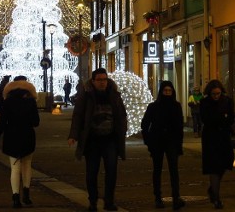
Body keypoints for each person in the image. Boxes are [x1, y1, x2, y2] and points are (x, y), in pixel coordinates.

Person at [67, 67, 127, 212]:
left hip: (110, 139)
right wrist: (73, 135)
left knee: (111, 171)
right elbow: (78, 115)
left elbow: (121, 114)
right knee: (91, 172)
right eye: (99, 80)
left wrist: (122, 131)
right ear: (93, 81)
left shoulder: (114, 94)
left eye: (104, 79)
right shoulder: (86, 95)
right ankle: (92, 201)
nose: (102, 82)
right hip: (92, 140)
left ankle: (109, 202)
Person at [0, 76, 40, 209]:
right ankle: (26, 194)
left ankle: (15, 197)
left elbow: (2, 121)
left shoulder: (7, 101)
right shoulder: (31, 101)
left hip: (12, 136)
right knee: (27, 165)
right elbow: (36, 122)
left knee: (15, 167)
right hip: (27, 135)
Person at [141, 81, 186, 210]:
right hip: (157, 142)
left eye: (169, 91)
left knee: (174, 170)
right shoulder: (154, 106)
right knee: (157, 170)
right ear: (161, 92)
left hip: (171, 142)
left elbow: (179, 126)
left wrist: (179, 144)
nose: (167, 93)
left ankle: (176, 197)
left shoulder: (176, 106)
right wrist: (148, 140)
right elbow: (145, 124)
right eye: (165, 91)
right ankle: (158, 197)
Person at [200, 79, 234, 210]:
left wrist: (222, 119)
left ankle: (212, 189)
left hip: (224, 136)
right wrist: (221, 118)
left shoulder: (228, 101)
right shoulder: (205, 102)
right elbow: (206, 119)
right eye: (213, 94)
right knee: (213, 166)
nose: (216, 96)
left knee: (226, 163)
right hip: (210, 138)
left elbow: (230, 118)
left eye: (218, 93)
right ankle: (216, 198)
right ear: (209, 93)